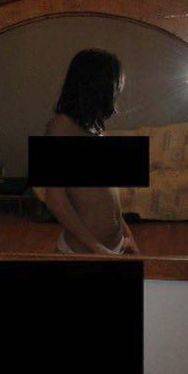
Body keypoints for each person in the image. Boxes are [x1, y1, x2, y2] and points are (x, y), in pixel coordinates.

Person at [43, 49, 140, 255]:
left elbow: (109, 195)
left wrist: (127, 233)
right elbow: (54, 199)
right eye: (115, 85)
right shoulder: (60, 126)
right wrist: (95, 247)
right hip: (84, 250)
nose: (117, 92)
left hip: (114, 245)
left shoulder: (95, 127)